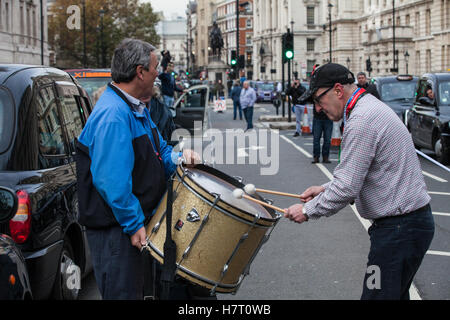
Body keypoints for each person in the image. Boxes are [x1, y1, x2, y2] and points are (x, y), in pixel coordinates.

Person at [285, 63, 434, 300]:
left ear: (337, 90)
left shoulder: (362, 119)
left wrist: (307, 210)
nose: (318, 108)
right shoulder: (367, 108)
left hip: (399, 229)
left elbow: (347, 187)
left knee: (376, 295)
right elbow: (357, 174)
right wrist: (322, 190)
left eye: (318, 99)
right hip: (405, 226)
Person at [75, 38, 201, 300]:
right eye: (155, 67)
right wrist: (133, 225)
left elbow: (159, 151)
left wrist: (179, 158)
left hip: (131, 225)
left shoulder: (134, 109)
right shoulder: (113, 115)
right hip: (116, 233)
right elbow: (112, 182)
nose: (159, 73)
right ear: (140, 72)